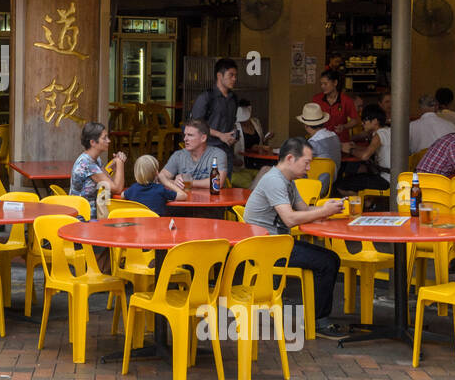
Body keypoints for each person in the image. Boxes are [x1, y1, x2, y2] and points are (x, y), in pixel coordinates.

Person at [241, 137, 348, 338]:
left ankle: (316, 317)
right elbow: (290, 219)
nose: (308, 168)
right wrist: (322, 211)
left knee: (329, 258)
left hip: (278, 243)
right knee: (327, 261)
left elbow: (305, 210)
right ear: (290, 158)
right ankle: (318, 321)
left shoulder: (287, 181)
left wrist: (328, 210)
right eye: (306, 163)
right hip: (265, 247)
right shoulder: (274, 180)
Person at [189, 58, 239, 173]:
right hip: (208, 150)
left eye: (235, 75)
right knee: (210, 187)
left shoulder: (234, 98)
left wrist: (232, 136)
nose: (234, 79)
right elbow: (196, 125)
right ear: (219, 76)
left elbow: (232, 121)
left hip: (227, 151)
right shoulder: (206, 97)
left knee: (226, 187)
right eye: (231, 75)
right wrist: (220, 135)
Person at [70, 120, 126, 219]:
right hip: (83, 219)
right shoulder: (87, 164)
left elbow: (110, 183)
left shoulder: (95, 160)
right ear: (93, 142)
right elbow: (117, 189)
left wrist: (116, 165)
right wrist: (120, 162)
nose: (109, 140)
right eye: (104, 138)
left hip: (94, 214)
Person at [158, 119, 228, 190]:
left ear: (203, 138)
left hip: (211, 200)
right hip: (185, 199)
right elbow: (161, 177)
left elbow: (218, 182)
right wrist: (175, 182)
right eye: (185, 135)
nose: (185, 139)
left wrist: (189, 182)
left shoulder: (217, 154)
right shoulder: (178, 155)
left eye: (190, 135)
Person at [338, 103, 391, 197]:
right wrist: (355, 147)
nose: (362, 123)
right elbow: (371, 149)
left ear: (375, 121)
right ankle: (368, 201)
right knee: (358, 176)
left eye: (365, 120)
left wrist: (350, 151)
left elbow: (365, 156)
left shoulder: (379, 135)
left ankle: (366, 204)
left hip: (386, 179)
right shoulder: (387, 130)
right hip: (393, 176)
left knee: (341, 185)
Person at [312, 68, 358, 140]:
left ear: (335, 83)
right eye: (321, 84)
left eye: (325, 84)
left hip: (341, 139)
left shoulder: (346, 100)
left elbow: (355, 120)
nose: (322, 86)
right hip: (322, 139)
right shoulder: (316, 99)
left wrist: (344, 126)